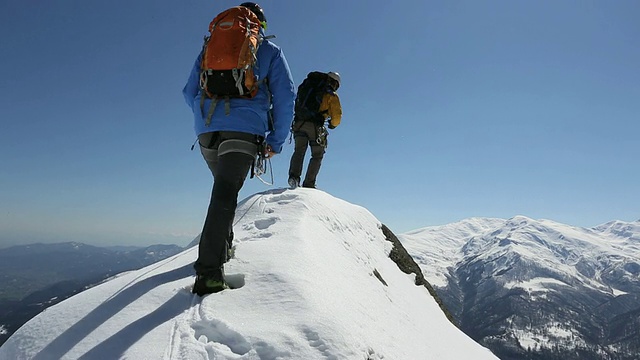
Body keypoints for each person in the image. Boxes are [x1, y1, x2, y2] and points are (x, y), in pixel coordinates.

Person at [183, 2, 295, 295]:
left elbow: (189, 91)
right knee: (225, 193)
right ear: (261, 25)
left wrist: (205, 114)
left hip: (207, 130)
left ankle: (224, 246)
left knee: (223, 188)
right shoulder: (269, 51)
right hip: (244, 128)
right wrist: (276, 140)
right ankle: (208, 274)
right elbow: (286, 96)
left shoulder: (209, 49)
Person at [288, 71, 342, 189]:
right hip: (315, 126)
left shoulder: (308, 86)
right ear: (335, 83)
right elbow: (336, 117)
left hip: (299, 123)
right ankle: (309, 183)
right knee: (317, 154)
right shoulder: (330, 94)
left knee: (299, 151)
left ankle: (294, 178)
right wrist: (332, 125)